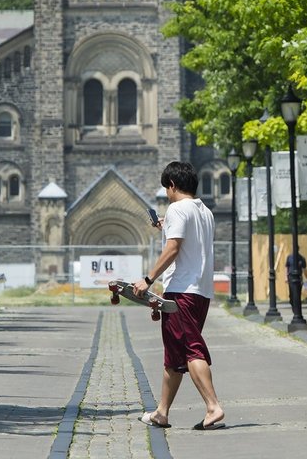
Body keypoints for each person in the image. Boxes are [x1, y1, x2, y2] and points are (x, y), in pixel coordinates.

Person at [133, 161, 225, 431]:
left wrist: (148, 279)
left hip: (182, 291)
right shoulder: (204, 211)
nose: (167, 194)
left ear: (172, 185)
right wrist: (167, 226)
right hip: (201, 291)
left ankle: (213, 406)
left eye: (166, 189)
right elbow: (189, 242)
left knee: (190, 349)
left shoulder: (176, 208)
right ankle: (162, 412)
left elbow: (173, 249)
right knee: (175, 354)